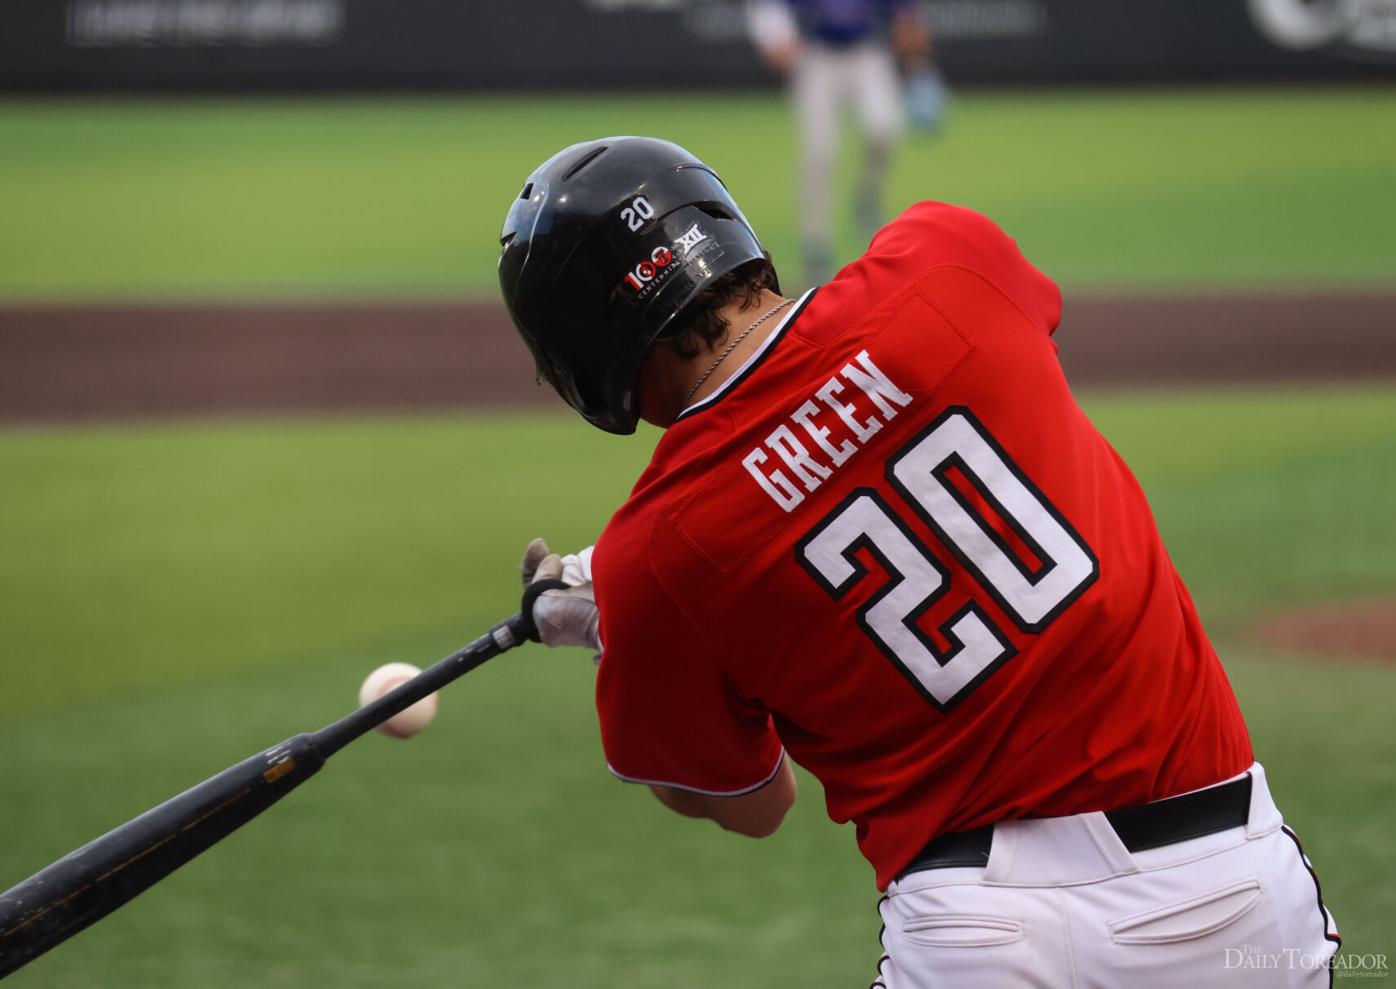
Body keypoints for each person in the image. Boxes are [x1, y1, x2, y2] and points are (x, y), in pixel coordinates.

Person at [497, 136, 1340, 987]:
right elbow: (904, 427)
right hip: (1236, 892)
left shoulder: (656, 557)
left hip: (984, 938)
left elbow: (752, 803)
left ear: (582, 348)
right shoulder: (946, 256)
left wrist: (623, 626)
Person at [747, 0, 935, 285]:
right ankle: (816, 249)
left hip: (869, 53)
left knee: (882, 130)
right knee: (818, 154)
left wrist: (918, 65)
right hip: (816, 55)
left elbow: (904, 15)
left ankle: (866, 198)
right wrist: (774, 34)